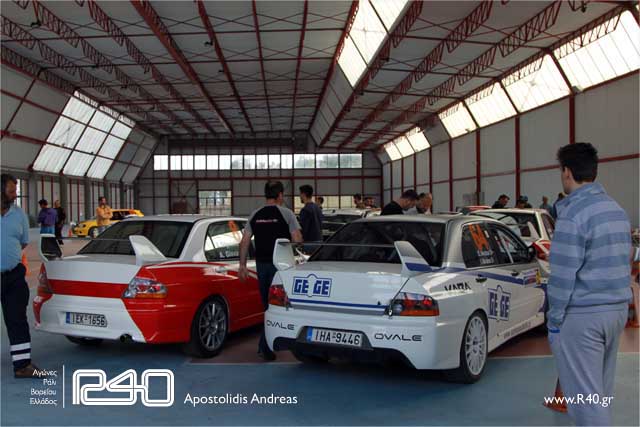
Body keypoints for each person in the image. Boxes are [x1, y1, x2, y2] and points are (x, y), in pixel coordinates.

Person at [547, 143, 631, 426]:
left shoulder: (573, 214)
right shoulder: (616, 210)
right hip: (616, 312)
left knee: (586, 403)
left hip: (584, 317)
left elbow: (562, 276)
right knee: (599, 394)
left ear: (566, 172)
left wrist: (554, 322)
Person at [238, 181, 302, 361]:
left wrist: (242, 265)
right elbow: (297, 239)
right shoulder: (287, 213)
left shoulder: (255, 214)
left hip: (261, 265)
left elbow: (244, 241)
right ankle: (269, 345)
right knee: (279, 306)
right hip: (280, 267)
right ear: (280, 195)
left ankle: (265, 346)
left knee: (267, 306)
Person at [1, 174, 41, 378]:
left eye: (15, 191)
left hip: (14, 276)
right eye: (11, 191)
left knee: (17, 320)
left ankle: (23, 365)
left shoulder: (19, 214)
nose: (15, 195)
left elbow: (23, 242)